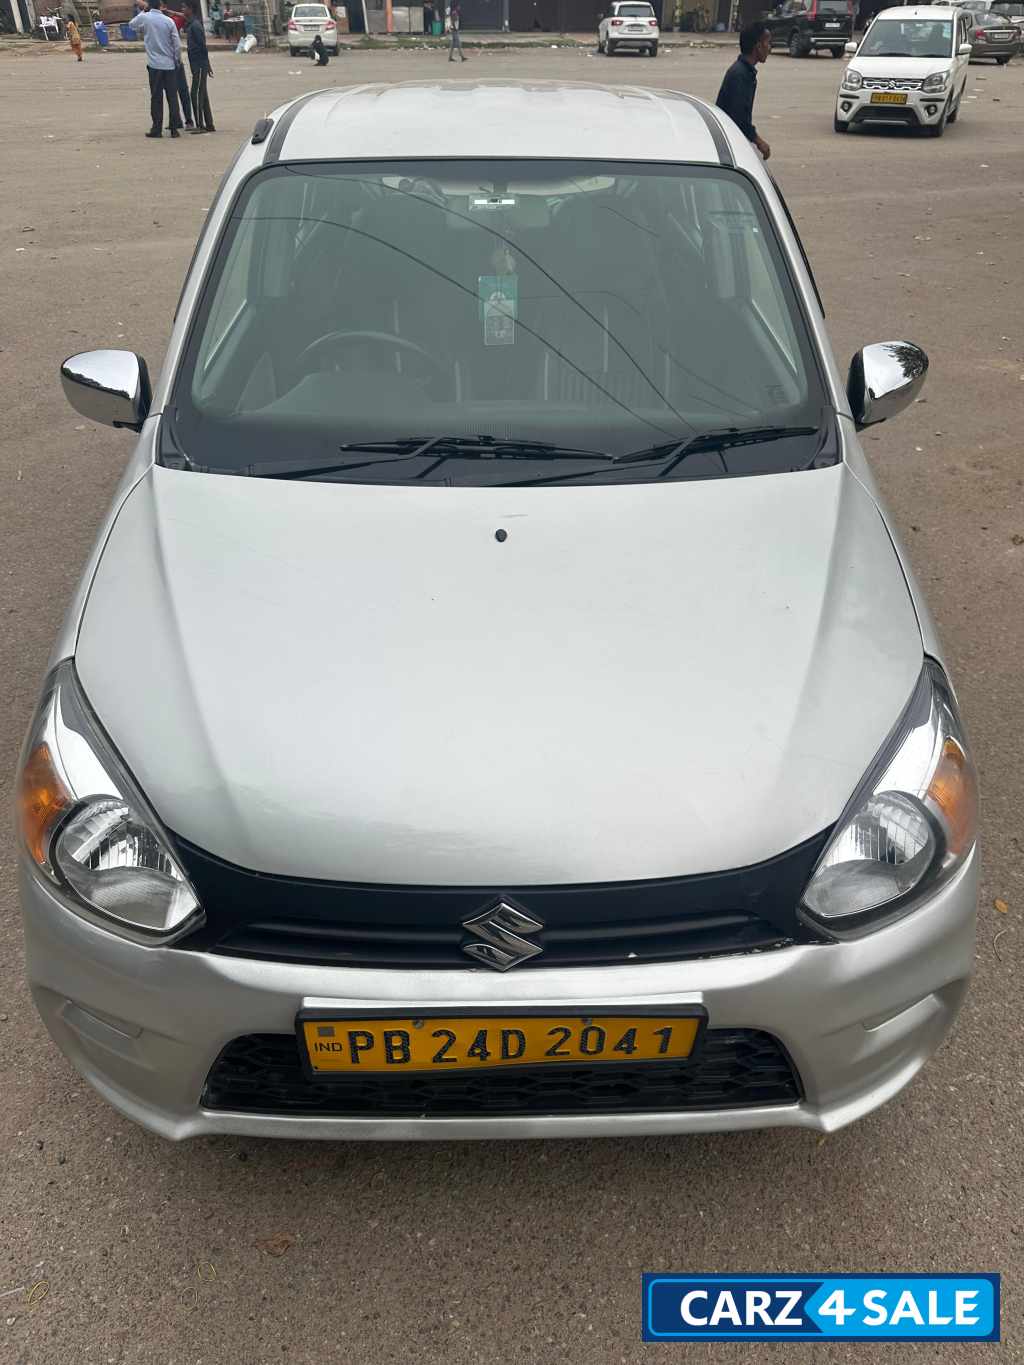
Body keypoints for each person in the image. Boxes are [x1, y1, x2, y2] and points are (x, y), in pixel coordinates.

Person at [715, 21, 771, 161]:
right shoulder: (740, 75)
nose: (769, 48)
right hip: (729, 140)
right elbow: (739, 118)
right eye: (768, 43)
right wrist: (759, 142)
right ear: (758, 46)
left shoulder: (746, 72)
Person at [129, 0, 184, 138]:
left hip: (154, 65)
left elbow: (131, 25)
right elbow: (177, 45)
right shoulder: (169, 21)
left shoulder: (145, 18)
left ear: (149, 5)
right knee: (172, 97)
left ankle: (157, 129)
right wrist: (177, 59)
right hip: (170, 65)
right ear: (160, 6)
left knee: (156, 98)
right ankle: (174, 129)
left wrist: (143, 10)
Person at [183, 0, 215, 131]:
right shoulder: (192, 24)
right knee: (203, 94)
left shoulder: (195, 26)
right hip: (197, 64)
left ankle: (200, 125)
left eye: (184, 7)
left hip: (199, 64)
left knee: (196, 94)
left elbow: (203, 47)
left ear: (190, 9)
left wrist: (207, 65)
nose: (182, 10)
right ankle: (209, 124)